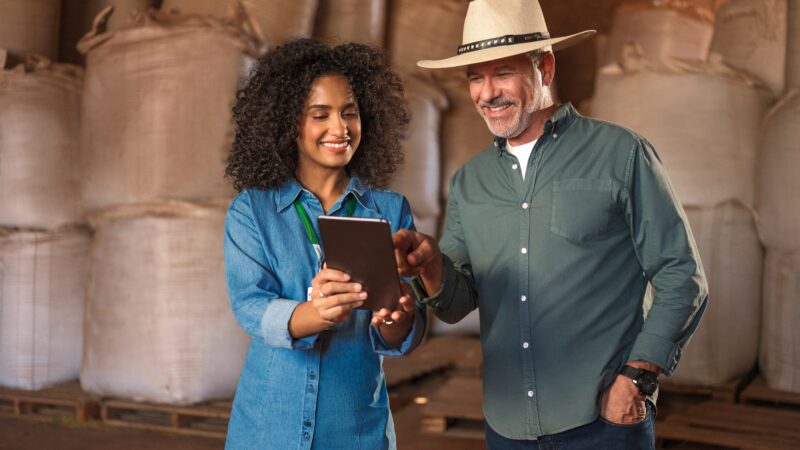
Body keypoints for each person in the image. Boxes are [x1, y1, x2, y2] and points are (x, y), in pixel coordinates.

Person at [394, 1, 708, 448]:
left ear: (544, 66)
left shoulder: (621, 153)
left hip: (604, 423)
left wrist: (636, 379)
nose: (487, 93)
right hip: (507, 427)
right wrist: (430, 266)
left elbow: (683, 276)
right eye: (475, 78)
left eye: (502, 73)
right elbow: (457, 303)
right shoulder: (469, 181)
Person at [223, 38, 426, 450]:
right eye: (321, 115)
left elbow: (403, 329)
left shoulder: (389, 210)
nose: (340, 129)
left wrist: (396, 314)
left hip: (355, 430)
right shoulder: (252, 211)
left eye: (349, 113)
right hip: (268, 431)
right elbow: (249, 305)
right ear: (288, 124)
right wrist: (313, 314)